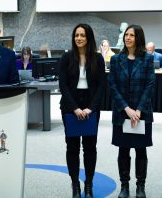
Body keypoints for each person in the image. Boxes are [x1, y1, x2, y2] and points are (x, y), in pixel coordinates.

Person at [59, 23, 106, 198]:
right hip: (70, 106)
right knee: (72, 147)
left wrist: (90, 108)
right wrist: (75, 108)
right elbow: (63, 85)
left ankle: (88, 184)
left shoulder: (98, 58)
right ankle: (75, 185)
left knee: (90, 147)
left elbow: (102, 86)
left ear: (89, 38)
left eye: (82, 35)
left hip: (91, 107)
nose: (79, 38)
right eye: (76, 35)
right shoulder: (66, 58)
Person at [108, 24, 155, 198]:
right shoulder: (115, 59)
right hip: (122, 112)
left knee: (141, 150)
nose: (127, 38)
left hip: (141, 113)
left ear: (138, 38)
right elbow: (112, 85)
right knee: (123, 150)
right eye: (126, 35)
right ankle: (124, 186)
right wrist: (127, 109)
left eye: (132, 35)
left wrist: (138, 109)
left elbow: (150, 86)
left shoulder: (148, 59)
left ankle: (140, 186)